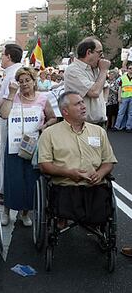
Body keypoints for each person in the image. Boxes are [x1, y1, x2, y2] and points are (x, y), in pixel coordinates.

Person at [38, 91, 117, 228]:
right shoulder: (49, 133)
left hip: (95, 186)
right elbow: (44, 165)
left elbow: (108, 161)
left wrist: (100, 174)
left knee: (102, 208)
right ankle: (63, 220)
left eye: (82, 102)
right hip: (65, 187)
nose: (83, 106)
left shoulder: (98, 131)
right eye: (78, 104)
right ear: (65, 111)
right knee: (62, 204)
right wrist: (70, 173)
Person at [0, 67, 56, 226]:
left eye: (27, 80)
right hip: (14, 145)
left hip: (33, 145)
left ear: (34, 81)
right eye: (21, 81)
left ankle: (25, 213)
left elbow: (52, 118)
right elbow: (4, 114)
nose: (24, 84)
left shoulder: (42, 99)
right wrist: (11, 94)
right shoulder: (13, 98)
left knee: (30, 178)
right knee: (12, 178)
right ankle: (6, 211)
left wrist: (44, 126)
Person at [0, 44, 23, 196]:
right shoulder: (14, 71)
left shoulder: (13, 73)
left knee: (7, 156)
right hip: (15, 119)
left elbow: (5, 100)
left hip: (11, 119)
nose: (0, 58)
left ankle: (4, 190)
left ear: (8, 56)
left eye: (2, 54)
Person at [64, 37, 111, 127]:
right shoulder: (73, 70)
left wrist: (103, 103)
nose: (102, 56)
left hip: (100, 124)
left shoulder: (95, 68)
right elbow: (94, 92)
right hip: (83, 125)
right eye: (100, 53)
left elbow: (105, 87)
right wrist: (104, 70)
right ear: (88, 52)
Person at [114, 64, 132, 132]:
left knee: (130, 113)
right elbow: (120, 88)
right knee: (121, 112)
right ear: (127, 69)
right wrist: (119, 97)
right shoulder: (122, 77)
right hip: (124, 97)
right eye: (130, 68)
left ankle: (128, 127)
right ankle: (117, 126)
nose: (131, 70)